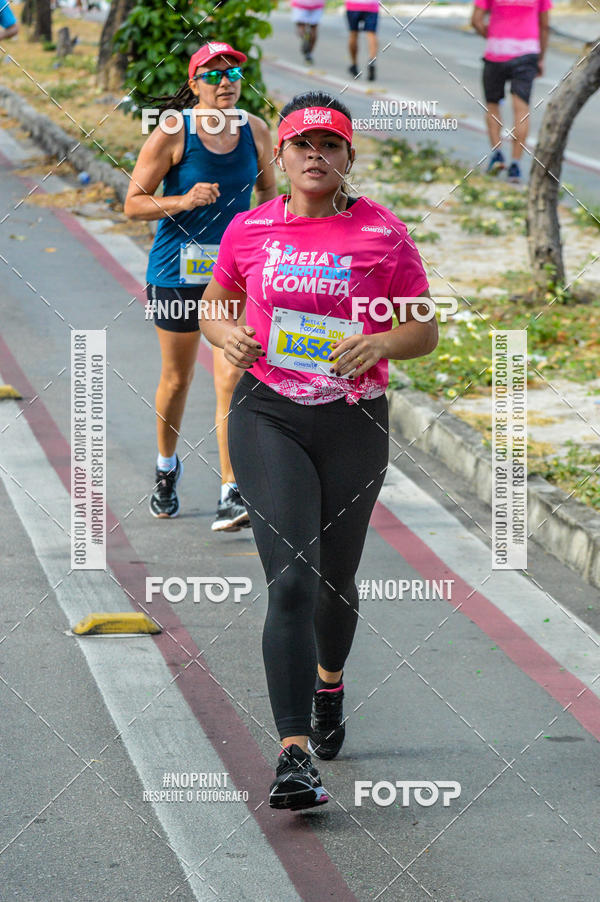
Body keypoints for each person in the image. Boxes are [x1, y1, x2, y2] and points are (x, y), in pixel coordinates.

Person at [200, 91, 438, 810]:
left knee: (336, 582)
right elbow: (217, 300)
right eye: (302, 145)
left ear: (346, 159)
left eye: (329, 146)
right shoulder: (250, 230)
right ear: (282, 156)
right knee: (294, 580)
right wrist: (224, 334)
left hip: (354, 421)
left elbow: (424, 328)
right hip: (268, 415)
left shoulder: (383, 235)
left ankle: (330, 680)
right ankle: (293, 752)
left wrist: (382, 341)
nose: (315, 156)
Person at [124, 43, 277, 528]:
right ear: (193, 86)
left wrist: (268, 232)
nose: (226, 81)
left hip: (233, 274)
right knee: (178, 378)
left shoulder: (255, 129)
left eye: (233, 72)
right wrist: (185, 200)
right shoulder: (173, 131)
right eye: (213, 75)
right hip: (176, 272)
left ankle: (232, 489)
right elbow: (133, 204)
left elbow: (270, 190)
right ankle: (166, 467)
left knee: (231, 376)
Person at [471, 0, 551, 184]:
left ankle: (497, 154)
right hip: (527, 54)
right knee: (521, 110)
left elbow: (476, 20)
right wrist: (541, 58)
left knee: (493, 105)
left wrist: (493, 36)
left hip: (496, 53)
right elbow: (545, 25)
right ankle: (515, 165)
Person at [346, 0, 380, 81]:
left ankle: (354, 64)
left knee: (353, 34)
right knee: (371, 34)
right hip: (371, 5)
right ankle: (372, 61)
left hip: (353, 5)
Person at [291, 0, 325, 64]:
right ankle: (309, 54)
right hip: (317, 3)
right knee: (314, 29)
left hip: (300, 3)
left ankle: (304, 37)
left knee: (301, 26)